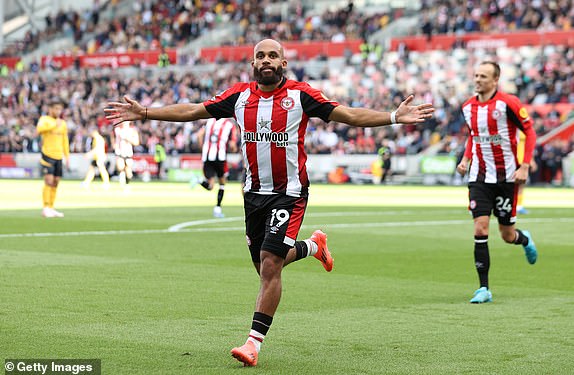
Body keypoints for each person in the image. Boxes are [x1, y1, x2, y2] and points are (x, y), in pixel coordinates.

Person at [105, 39, 434, 367]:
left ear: (283, 63)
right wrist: (145, 113)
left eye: (272, 55)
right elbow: (192, 111)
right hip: (253, 196)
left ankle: (252, 344)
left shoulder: (301, 96)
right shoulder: (239, 96)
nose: (266, 60)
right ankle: (313, 247)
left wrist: (393, 117)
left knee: (270, 263)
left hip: (289, 193)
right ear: (252, 64)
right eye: (260, 55)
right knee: (264, 267)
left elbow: (348, 114)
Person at [456, 61, 538, 304]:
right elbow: (473, 135)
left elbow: (529, 132)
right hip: (479, 177)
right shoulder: (468, 107)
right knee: (480, 228)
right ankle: (483, 288)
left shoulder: (508, 103)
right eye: (476, 75)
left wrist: (524, 165)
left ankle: (524, 239)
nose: (478, 79)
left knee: (506, 234)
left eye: (483, 76)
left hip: (505, 177)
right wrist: (465, 159)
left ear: (495, 80)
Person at [197, 117, 238, 218]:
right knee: (222, 184)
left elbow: (199, 135)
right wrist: (233, 149)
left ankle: (199, 181)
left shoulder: (209, 121)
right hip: (220, 157)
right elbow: (233, 145)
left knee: (210, 186)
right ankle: (218, 208)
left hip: (207, 156)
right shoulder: (229, 124)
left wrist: (203, 148)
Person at [37, 98, 69, 218]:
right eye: (56, 108)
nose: (58, 111)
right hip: (48, 155)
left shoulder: (63, 123)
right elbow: (39, 130)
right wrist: (54, 125)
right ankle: (45, 208)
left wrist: (67, 155)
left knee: (56, 182)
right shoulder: (44, 120)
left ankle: (51, 207)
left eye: (60, 109)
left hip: (59, 156)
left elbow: (65, 140)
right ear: (50, 109)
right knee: (48, 181)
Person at [516, 130, 538, 214]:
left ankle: (519, 206)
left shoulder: (525, 127)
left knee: (521, 184)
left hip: (523, 161)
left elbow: (529, 146)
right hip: (511, 159)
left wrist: (531, 160)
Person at [113, 121, 140, 188]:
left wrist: (127, 138)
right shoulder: (117, 130)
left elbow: (136, 142)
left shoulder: (132, 130)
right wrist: (115, 145)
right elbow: (114, 138)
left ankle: (127, 183)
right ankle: (122, 180)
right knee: (120, 167)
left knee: (129, 172)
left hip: (128, 153)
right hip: (119, 152)